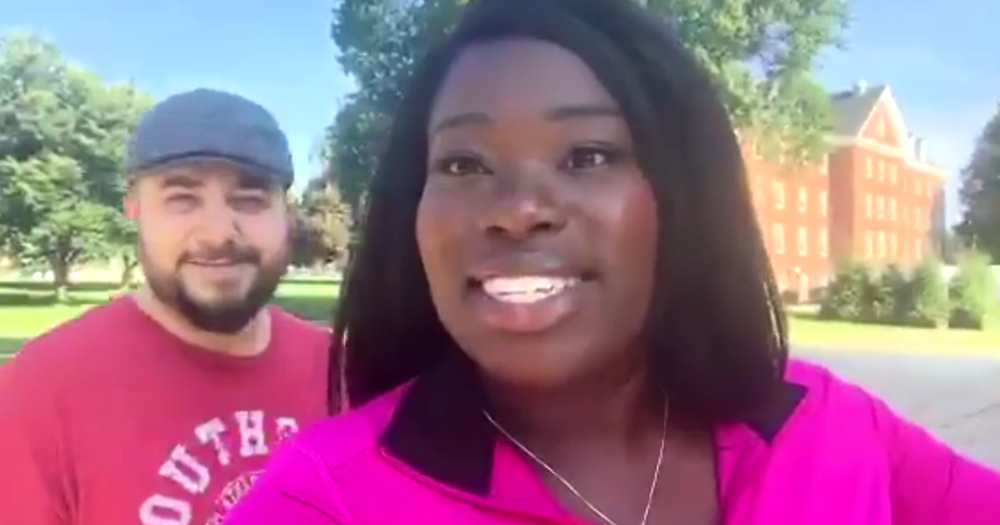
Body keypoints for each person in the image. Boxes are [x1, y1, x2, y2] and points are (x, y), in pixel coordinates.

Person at [225, 0, 1000, 523]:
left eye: (588, 154)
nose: (518, 207)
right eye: (463, 164)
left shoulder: (828, 427)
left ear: (679, 198)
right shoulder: (327, 495)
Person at [0, 89, 332, 525]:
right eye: (182, 199)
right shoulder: (39, 391)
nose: (217, 233)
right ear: (134, 208)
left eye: (250, 199)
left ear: (285, 213)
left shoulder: (344, 371)